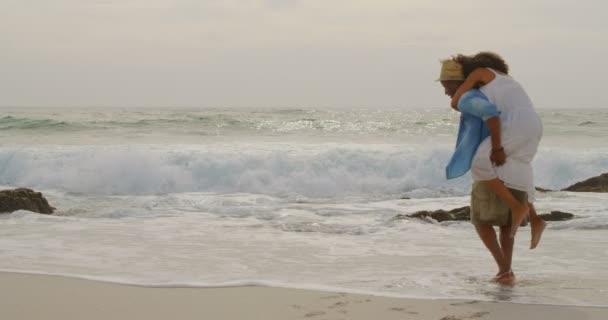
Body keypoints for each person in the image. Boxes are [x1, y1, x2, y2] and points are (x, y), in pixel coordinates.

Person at [438, 55, 545, 284]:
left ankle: (519, 209)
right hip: (533, 123)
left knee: (479, 163)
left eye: (446, 84)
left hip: (514, 123)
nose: (445, 90)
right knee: (521, 166)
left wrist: (496, 147)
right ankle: (533, 219)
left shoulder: (479, 75)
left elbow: (457, 101)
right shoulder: (506, 79)